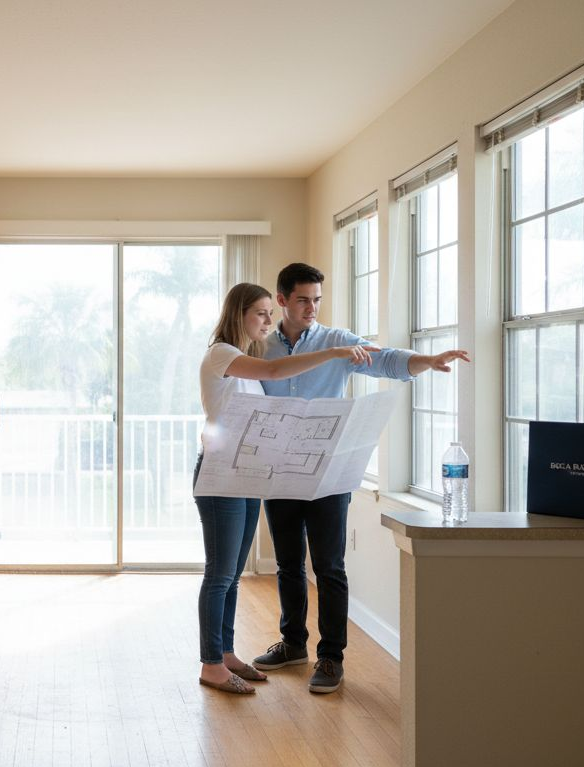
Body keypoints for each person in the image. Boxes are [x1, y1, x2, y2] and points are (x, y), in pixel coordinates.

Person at [251, 262, 470, 694]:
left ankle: (331, 658)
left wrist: (424, 360)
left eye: (317, 300)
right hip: (280, 472)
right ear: (281, 301)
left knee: (330, 567)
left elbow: (383, 358)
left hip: (330, 472)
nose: (312, 308)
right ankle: (294, 643)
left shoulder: (336, 341)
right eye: (302, 300)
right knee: (288, 564)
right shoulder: (261, 347)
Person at [194, 282, 378, 695]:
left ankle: (224, 655)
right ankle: (210, 664)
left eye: (267, 313)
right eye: (259, 313)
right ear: (239, 313)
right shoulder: (223, 354)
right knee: (219, 575)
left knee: (233, 576)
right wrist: (334, 352)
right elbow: (277, 372)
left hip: (244, 476)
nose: (267, 321)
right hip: (219, 476)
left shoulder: (244, 360)